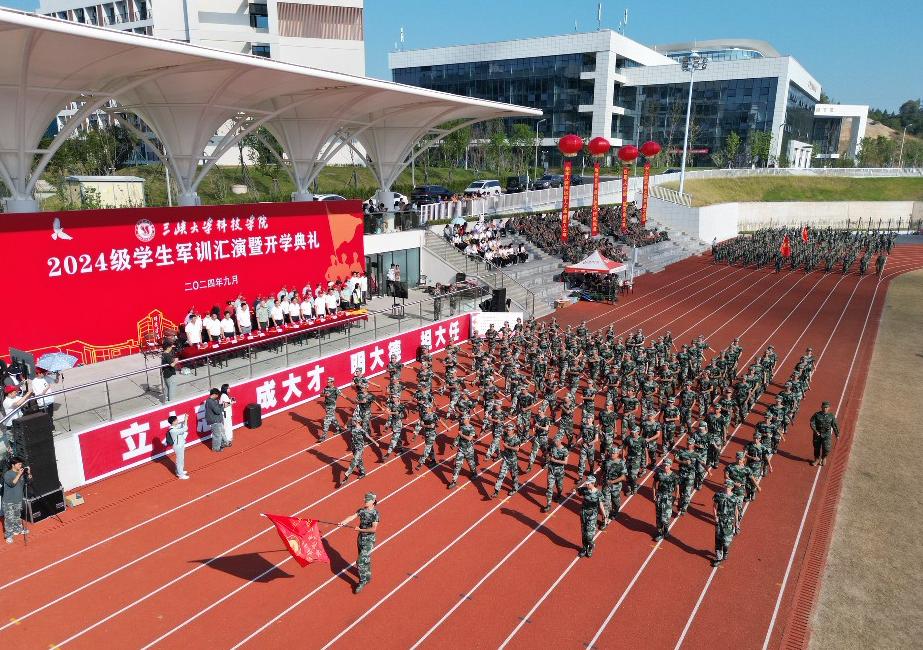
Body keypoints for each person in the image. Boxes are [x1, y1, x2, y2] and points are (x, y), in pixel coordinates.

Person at [338, 492, 380, 594]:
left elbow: (374, 529)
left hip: (369, 540)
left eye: (367, 500)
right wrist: (343, 522)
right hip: (361, 539)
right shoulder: (361, 511)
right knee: (365, 559)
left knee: (360, 561)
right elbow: (352, 516)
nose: (365, 501)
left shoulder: (375, 514)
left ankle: (362, 581)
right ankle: (367, 575)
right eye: (365, 499)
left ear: (373, 502)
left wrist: (360, 530)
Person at [575, 475, 607, 558]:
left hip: (592, 515)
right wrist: (582, 482)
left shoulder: (598, 493)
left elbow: (601, 505)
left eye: (588, 484)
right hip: (583, 514)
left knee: (589, 535)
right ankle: (584, 548)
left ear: (593, 483)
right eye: (586, 483)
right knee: (584, 532)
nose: (587, 485)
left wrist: (604, 516)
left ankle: (591, 546)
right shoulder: (584, 490)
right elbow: (574, 489)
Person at [712, 479, 739, 567]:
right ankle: (719, 558)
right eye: (726, 485)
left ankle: (726, 551)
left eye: (728, 486)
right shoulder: (718, 495)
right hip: (720, 520)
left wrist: (737, 523)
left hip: (729, 521)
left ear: (731, 487)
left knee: (726, 541)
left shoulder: (735, 497)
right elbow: (714, 506)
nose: (726, 487)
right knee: (719, 540)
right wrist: (715, 516)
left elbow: (736, 510)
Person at [652, 457, 680, 541]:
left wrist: (676, 499)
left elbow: (677, 487)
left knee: (666, 518)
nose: (665, 467)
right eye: (664, 465)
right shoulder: (659, 473)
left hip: (668, 497)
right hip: (659, 496)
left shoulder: (674, 476)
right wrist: (654, 495)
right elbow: (654, 484)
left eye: (667, 465)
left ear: (670, 466)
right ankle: (659, 532)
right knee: (658, 516)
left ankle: (666, 530)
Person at [3, 457, 29, 543]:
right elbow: (12, 484)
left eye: (21, 464)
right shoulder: (8, 474)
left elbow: (27, 482)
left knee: (17, 516)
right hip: (9, 501)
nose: (21, 465)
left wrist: (28, 474)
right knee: (9, 519)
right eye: (19, 464)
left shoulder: (20, 473)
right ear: (13, 465)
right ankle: (9, 536)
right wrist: (19, 474)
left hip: (18, 499)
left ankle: (18, 529)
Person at [543, 436, 569, 512]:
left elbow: (565, 462)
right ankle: (548, 505)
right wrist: (547, 456)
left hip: (560, 472)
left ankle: (559, 494)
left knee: (559, 487)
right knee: (549, 488)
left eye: (556, 441)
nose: (555, 443)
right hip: (551, 471)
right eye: (554, 441)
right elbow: (546, 453)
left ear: (560, 441)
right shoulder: (552, 447)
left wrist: (555, 460)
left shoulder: (565, 450)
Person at [810, 400, 840, 466]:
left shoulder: (831, 416)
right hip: (817, 434)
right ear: (821, 407)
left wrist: (837, 434)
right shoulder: (816, 415)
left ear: (829, 408)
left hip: (826, 434)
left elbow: (834, 425)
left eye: (826, 407)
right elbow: (812, 423)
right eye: (824, 407)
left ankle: (824, 457)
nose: (825, 409)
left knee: (827, 448)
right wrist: (815, 431)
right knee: (816, 447)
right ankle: (817, 459)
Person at [166, 414, 189, 479]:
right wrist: (186, 419)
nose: (177, 421)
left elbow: (182, 425)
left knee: (182, 459)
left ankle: (179, 471)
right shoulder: (173, 430)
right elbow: (185, 428)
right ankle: (180, 475)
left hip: (180, 444)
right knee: (179, 460)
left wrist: (185, 419)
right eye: (176, 420)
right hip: (178, 446)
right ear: (173, 422)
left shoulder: (175, 427)